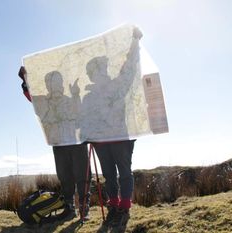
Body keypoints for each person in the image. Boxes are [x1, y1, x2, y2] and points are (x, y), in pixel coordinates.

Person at [18, 67, 92, 222]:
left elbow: (81, 116)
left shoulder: (71, 99)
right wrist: (25, 80)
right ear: (47, 86)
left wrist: (76, 94)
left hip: (77, 142)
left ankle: (84, 208)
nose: (55, 86)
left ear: (62, 84)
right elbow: (30, 97)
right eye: (51, 83)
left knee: (82, 175)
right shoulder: (44, 102)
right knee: (65, 177)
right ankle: (69, 208)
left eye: (58, 82)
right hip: (58, 144)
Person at [91, 27, 142, 233]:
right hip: (101, 142)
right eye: (92, 72)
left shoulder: (117, 85)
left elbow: (129, 69)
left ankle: (124, 208)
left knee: (124, 173)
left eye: (99, 69)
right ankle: (114, 205)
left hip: (120, 138)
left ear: (105, 70)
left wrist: (134, 42)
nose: (96, 74)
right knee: (109, 175)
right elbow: (82, 118)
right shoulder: (89, 96)